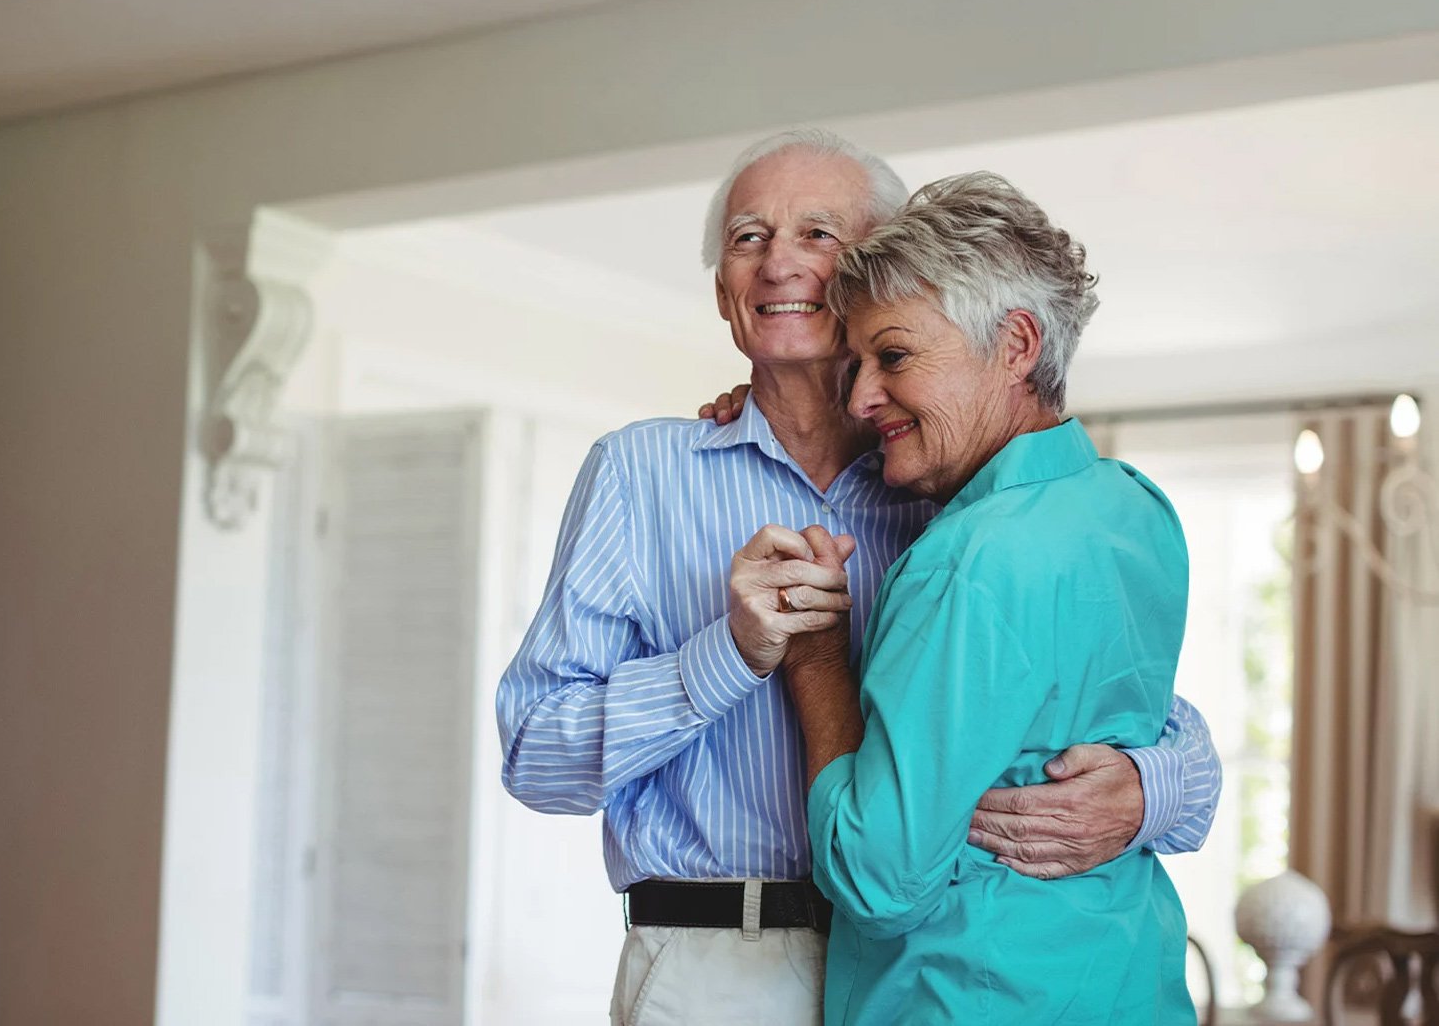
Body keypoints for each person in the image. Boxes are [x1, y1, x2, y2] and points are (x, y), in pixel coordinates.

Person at [494, 130, 1220, 1025]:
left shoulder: (954, 487)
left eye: (818, 235)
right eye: (748, 238)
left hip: (920, 966)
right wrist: (726, 655)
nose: (778, 264)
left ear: (880, 272)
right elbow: (534, 757)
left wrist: (1156, 786)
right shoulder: (639, 473)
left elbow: (1106, 694)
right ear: (722, 288)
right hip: (722, 969)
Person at [781, 172, 1192, 1022]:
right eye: (854, 364)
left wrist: (817, 659)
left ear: (1015, 345)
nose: (860, 397)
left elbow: (878, 876)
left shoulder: (967, 558)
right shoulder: (1141, 510)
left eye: (892, 356)